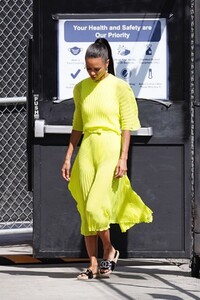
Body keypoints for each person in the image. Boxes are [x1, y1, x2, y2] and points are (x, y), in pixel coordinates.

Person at [61, 40, 153, 280]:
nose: (92, 73)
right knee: (84, 207)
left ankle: (109, 250)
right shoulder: (80, 88)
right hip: (88, 146)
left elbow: (127, 126)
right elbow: (78, 125)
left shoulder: (119, 87)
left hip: (110, 145)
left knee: (95, 206)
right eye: (88, 68)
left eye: (97, 69)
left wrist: (123, 158)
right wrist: (69, 157)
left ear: (107, 64)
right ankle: (92, 264)